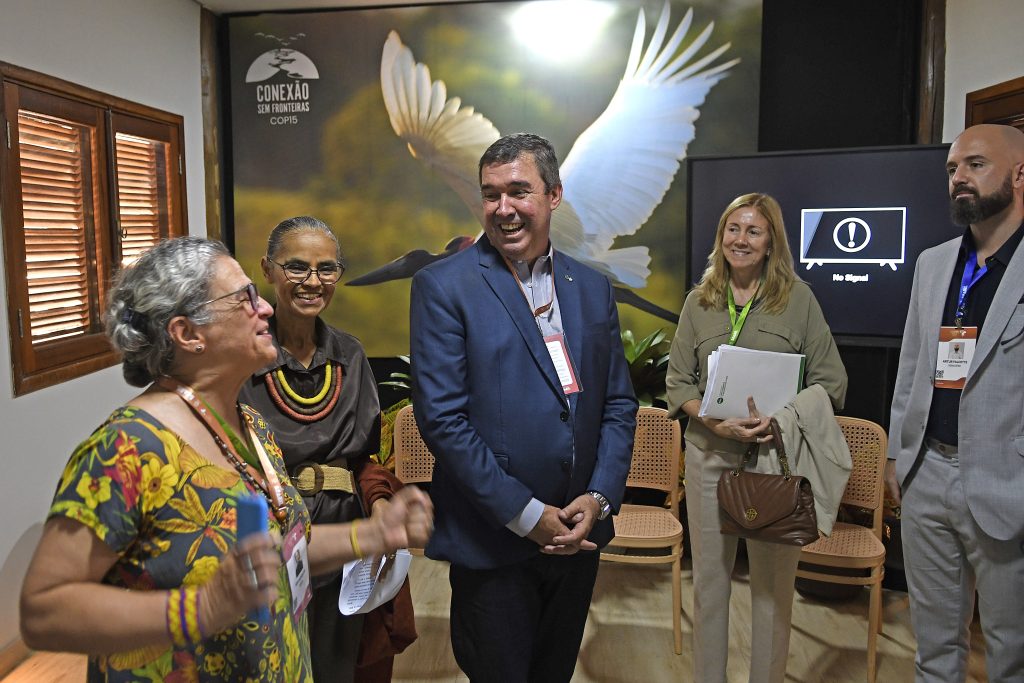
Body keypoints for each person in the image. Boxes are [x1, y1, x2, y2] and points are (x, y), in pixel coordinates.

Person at [19, 237, 432, 683]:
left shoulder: (249, 426)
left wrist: (371, 534)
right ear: (188, 333)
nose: (266, 308)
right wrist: (201, 608)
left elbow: (283, 550)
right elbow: (44, 610)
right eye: (244, 298)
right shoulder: (127, 448)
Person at [409, 132, 638, 682]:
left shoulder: (591, 288)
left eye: (518, 191)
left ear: (554, 195)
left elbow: (617, 403)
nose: (502, 208)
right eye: (491, 195)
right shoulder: (444, 287)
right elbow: (443, 420)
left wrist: (599, 497)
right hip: (493, 541)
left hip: (577, 536)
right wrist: (527, 515)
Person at [666, 193, 846, 683]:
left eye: (753, 231)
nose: (741, 240)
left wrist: (783, 419)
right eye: (733, 229)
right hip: (709, 457)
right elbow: (678, 383)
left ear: (771, 243)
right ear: (721, 236)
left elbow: (832, 382)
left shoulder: (798, 300)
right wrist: (711, 421)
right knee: (709, 584)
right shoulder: (699, 301)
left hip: (775, 464)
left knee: (771, 590)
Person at [239, 216, 411, 683]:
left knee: (338, 663)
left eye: (327, 268)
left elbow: (364, 462)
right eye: (296, 267)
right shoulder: (244, 357)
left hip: (343, 535)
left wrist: (380, 505)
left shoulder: (350, 355)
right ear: (267, 269)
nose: (313, 282)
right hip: (269, 534)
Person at [886, 123, 1024, 683]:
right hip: (926, 477)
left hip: (1008, 484)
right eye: (951, 169)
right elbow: (912, 366)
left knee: (1012, 654)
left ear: (1019, 174)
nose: (959, 178)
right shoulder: (934, 263)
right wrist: (897, 456)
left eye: (975, 165)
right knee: (934, 651)